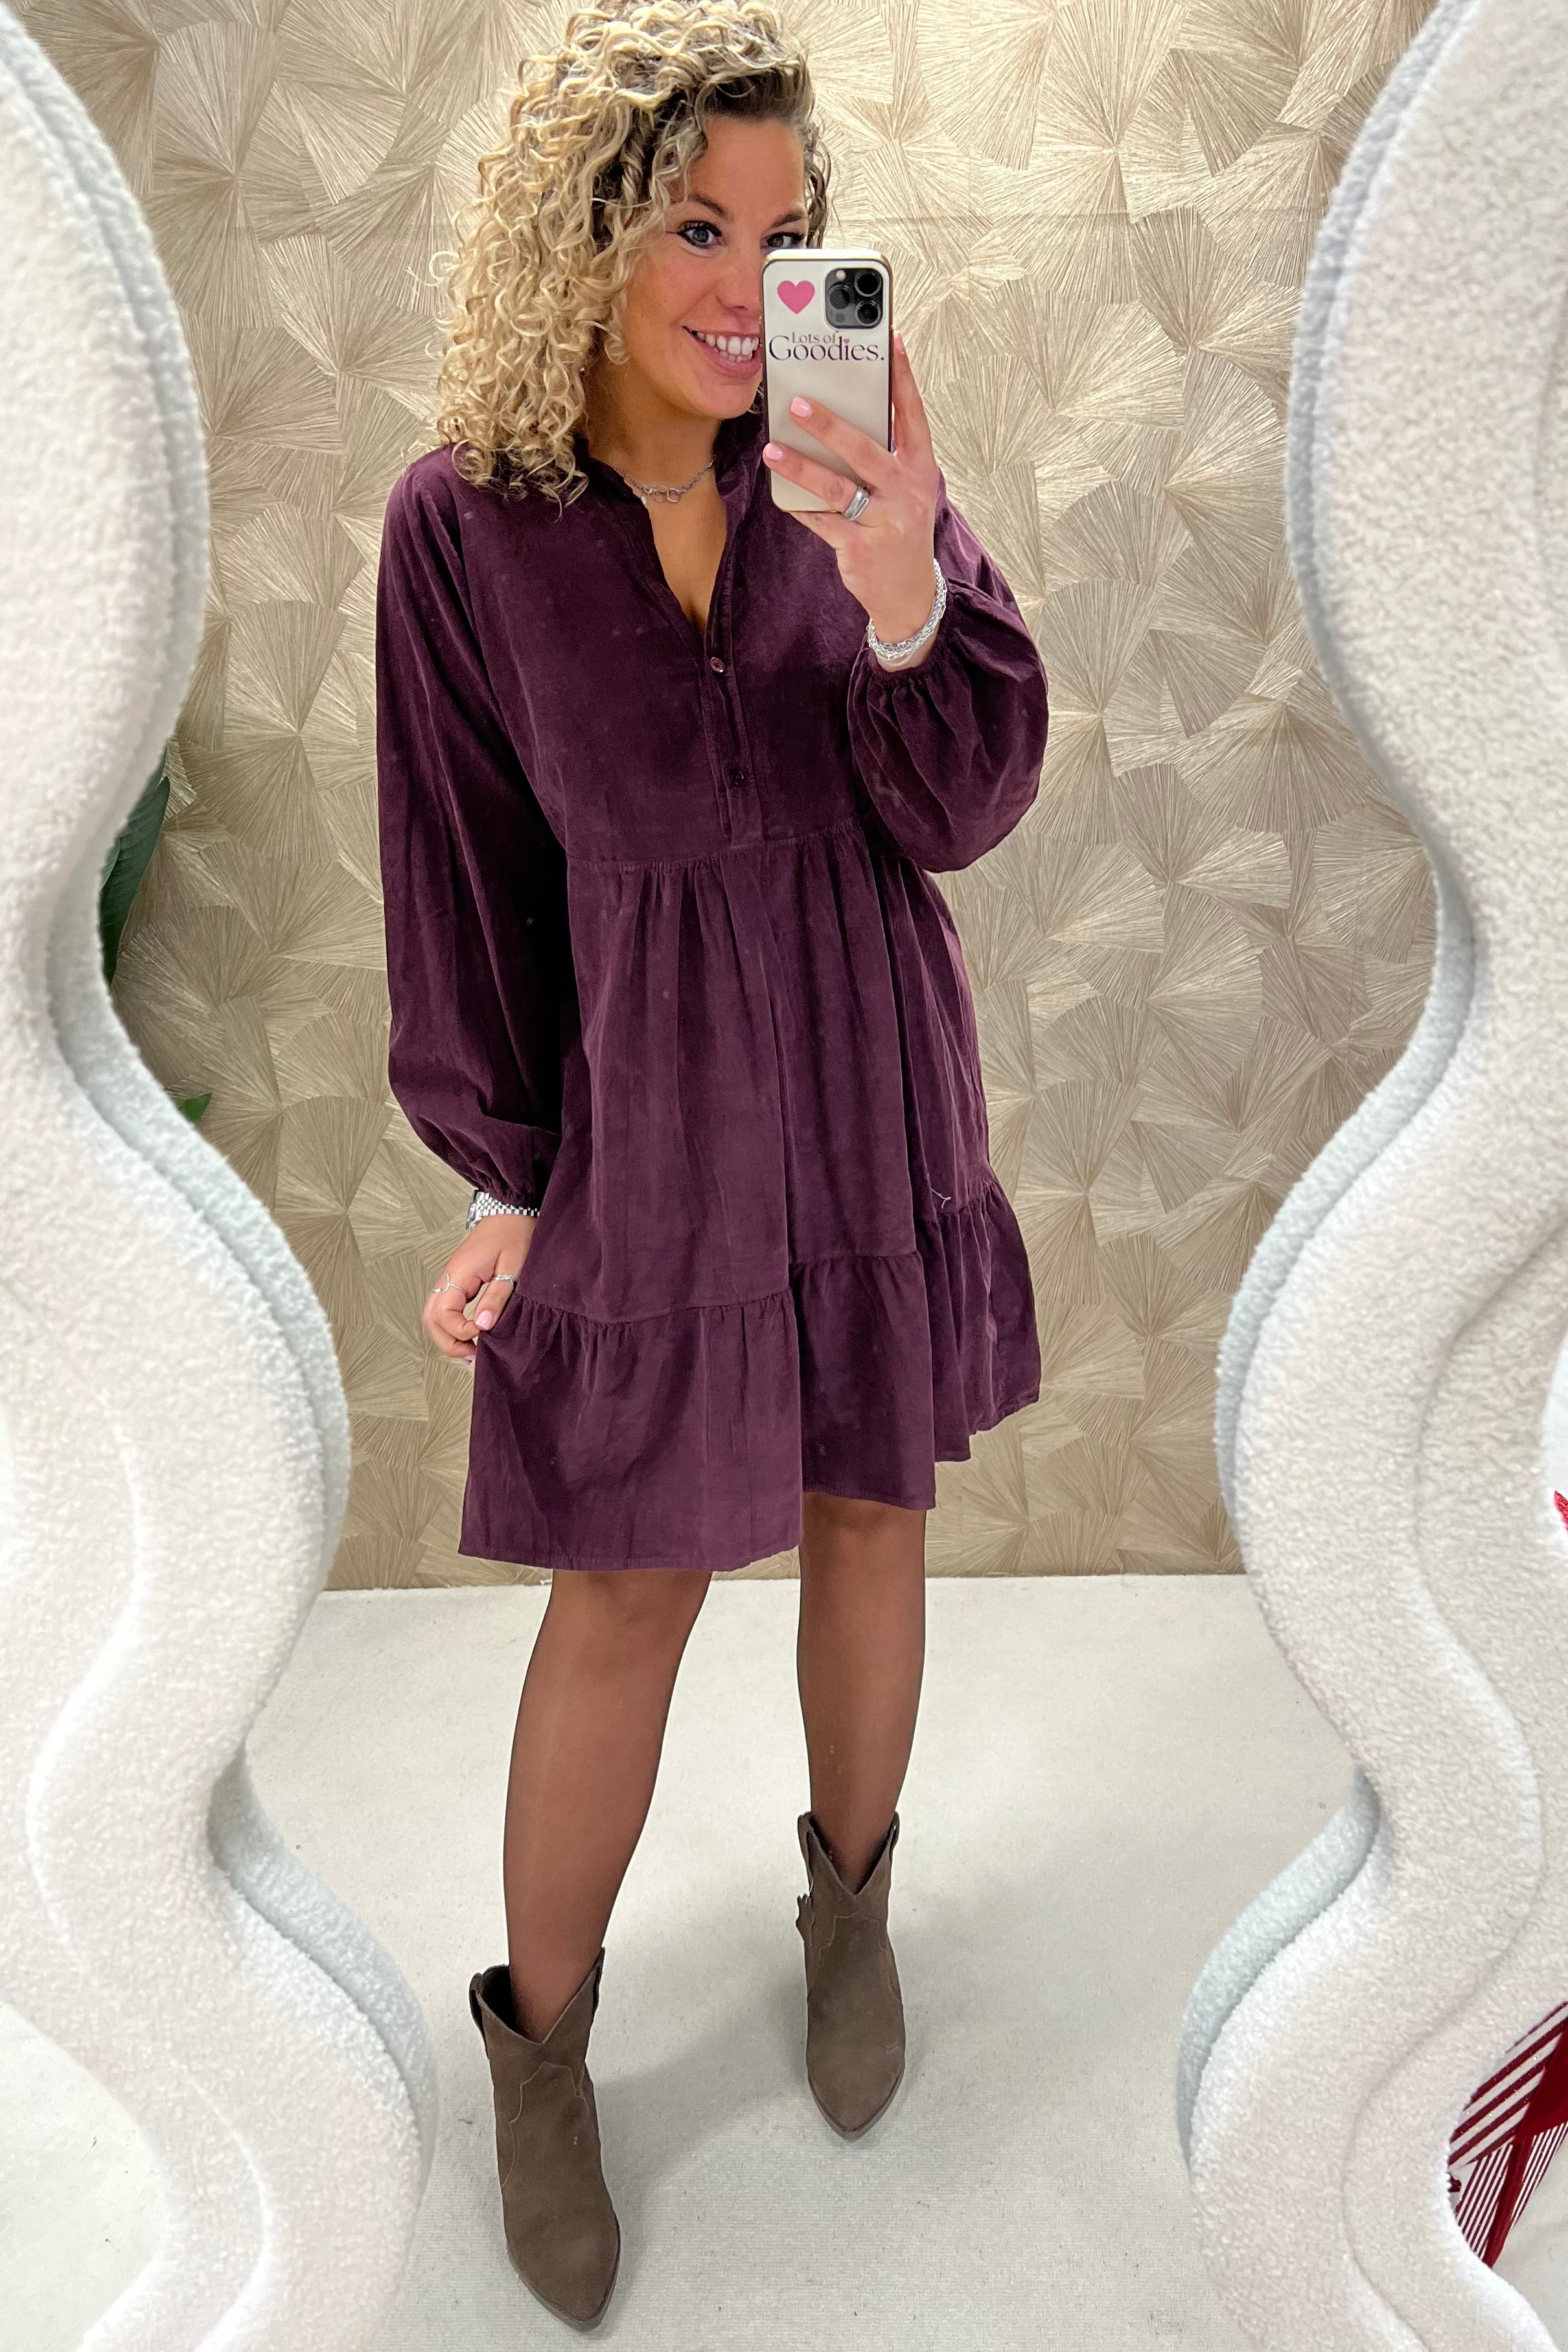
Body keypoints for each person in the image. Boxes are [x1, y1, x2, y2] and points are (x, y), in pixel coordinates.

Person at [373, 0, 1049, 2329]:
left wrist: (902, 587)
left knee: (869, 1506)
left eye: (783, 233)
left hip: (864, 1063)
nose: (746, 282)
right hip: (649, 1108)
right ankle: (541, 2055)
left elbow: (958, 803)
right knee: (628, 1585)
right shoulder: (463, 526)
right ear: (583, 232)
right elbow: (466, 867)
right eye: (693, 223)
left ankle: (850, 1911)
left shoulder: (847, 467)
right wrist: (508, 1169)